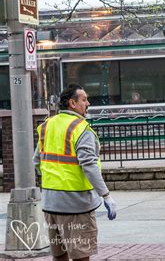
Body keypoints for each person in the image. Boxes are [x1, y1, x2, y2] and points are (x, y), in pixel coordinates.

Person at [33, 84, 117, 261]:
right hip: (75, 206)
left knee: (60, 256)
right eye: (84, 99)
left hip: (50, 205)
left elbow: (36, 162)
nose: (88, 103)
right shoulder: (81, 129)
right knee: (81, 256)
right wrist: (106, 195)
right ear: (72, 103)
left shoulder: (47, 125)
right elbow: (89, 166)